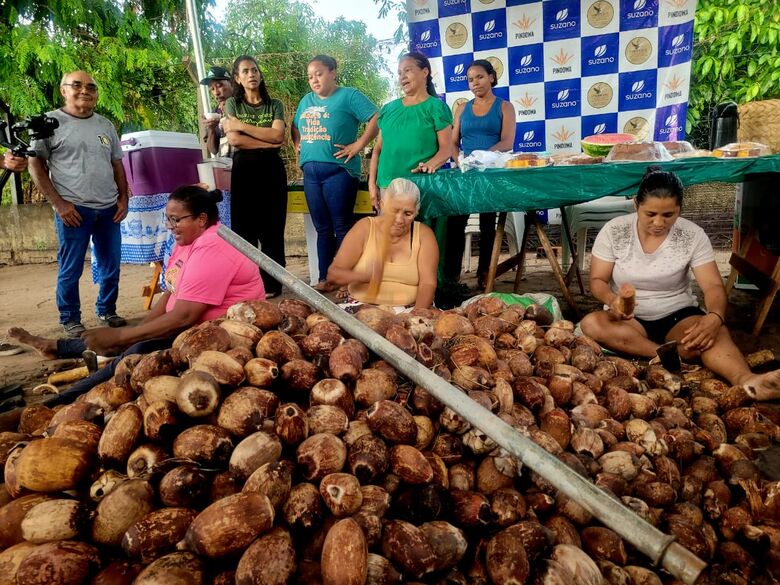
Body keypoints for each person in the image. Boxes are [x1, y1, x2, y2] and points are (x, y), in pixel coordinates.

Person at [8, 184, 265, 398]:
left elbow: (184, 316)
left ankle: (58, 401)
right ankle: (55, 346)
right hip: (192, 325)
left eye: (176, 219)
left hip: (222, 335)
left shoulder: (212, 247)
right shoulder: (188, 240)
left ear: (201, 219)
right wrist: (131, 332)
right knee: (128, 339)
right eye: (168, 219)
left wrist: (124, 338)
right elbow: (171, 293)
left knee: (133, 353)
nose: (170, 226)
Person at [581, 167, 780, 401]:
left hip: (678, 315)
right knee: (592, 324)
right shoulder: (615, 231)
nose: (658, 222)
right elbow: (597, 280)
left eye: (668, 215)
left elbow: (714, 286)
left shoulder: (692, 235)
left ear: (679, 210)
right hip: (630, 319)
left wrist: (715, 317)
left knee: (711, 333)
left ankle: (746, 380)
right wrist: (611, 300)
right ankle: (668, 354)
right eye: (650, 213)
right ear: (636, 205)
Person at [28, 70, 129, 337]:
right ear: (63, 90)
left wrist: (123, 198)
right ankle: (70, 318)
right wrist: (59, 204)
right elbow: (34, 164)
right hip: (74, 209)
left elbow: (117, 165)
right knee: (71, 268)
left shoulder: (105, 125)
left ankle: (107, 309)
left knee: (111, 264)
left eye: (91, 87)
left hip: (108, 208)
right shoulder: (49, 123)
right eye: (77, 85)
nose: (85, 90)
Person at [291, 54, 379, 292]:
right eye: (310, 76)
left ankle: (345, 281)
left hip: (339, 171)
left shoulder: (348, 96)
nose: (314, 80)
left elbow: (376, 117)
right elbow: (295, 126)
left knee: (341, 226)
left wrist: (359, 144)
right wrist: (297, 144)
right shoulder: (306, 101)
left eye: (319, 74)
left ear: (333, 73)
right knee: (322, 228)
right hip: (311, 174)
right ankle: (324, 278)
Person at [222, 55, 287, 298]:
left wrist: (242, 126)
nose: (252, 74)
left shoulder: (275, 104)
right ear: (237, 78)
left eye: (255, 70)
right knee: (244, 228)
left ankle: (272, 284)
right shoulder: (232, 104)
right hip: (244, 170)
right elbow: (234, 140)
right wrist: (265, 137)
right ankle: (248, 284)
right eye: (246, 71)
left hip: (272, 170)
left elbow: (278, 137)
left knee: (272, 228)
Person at [450, 59, 516, 288]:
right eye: (470, 79)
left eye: (479, 77)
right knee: (456, 221)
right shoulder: (461, 109)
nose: (475, 83)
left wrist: (483, 157)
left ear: (491, 77)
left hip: (491, 172)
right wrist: (459, 161)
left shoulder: (505, 107)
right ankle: (453, 277)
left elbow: (507, 141)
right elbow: (453, 142)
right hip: (467, 173)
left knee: (488, 225)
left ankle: (484, 275)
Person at [327, 178, 438, 310]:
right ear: (382, 204)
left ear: (416, 213)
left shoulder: (424, 235)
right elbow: (334, 275)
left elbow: (428, 283)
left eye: (408, 213)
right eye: (394, 211)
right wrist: (364, 276)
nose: (399, 220)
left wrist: (416, 316)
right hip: (361, 308)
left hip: (410, 309)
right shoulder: (364, 228)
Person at [368, 52, 452, 211]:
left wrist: (429, 165)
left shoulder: (437, 108)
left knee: (419, 235)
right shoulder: (388, 109)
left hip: (420, 188)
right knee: (389, 235)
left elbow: (446, 149)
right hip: (387, 187)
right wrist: (372, 184)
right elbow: (378, 150)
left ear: (425, 72)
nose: (402, 77)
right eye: (399, 73)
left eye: (407, 70)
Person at [200, 65, 234, 157]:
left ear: (231, 83)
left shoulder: (244, 104)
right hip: (229, 168)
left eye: (219, 86)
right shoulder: (215, 113)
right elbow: (213, 150)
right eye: (212, 89)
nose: (216, 93)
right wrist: (211, 128)